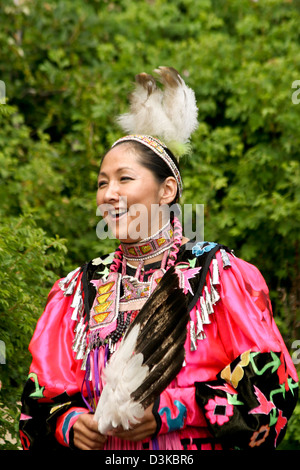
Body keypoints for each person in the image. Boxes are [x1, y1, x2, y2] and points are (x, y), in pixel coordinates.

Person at [19, 67, 298, 451]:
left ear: (167, 190)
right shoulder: (77, 290)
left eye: (124, 179)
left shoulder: (217, 276)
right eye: (102, 183)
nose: (109, 193)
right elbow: (37, 402)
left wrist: (172, 410)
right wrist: (68, 424)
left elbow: (274, 389)